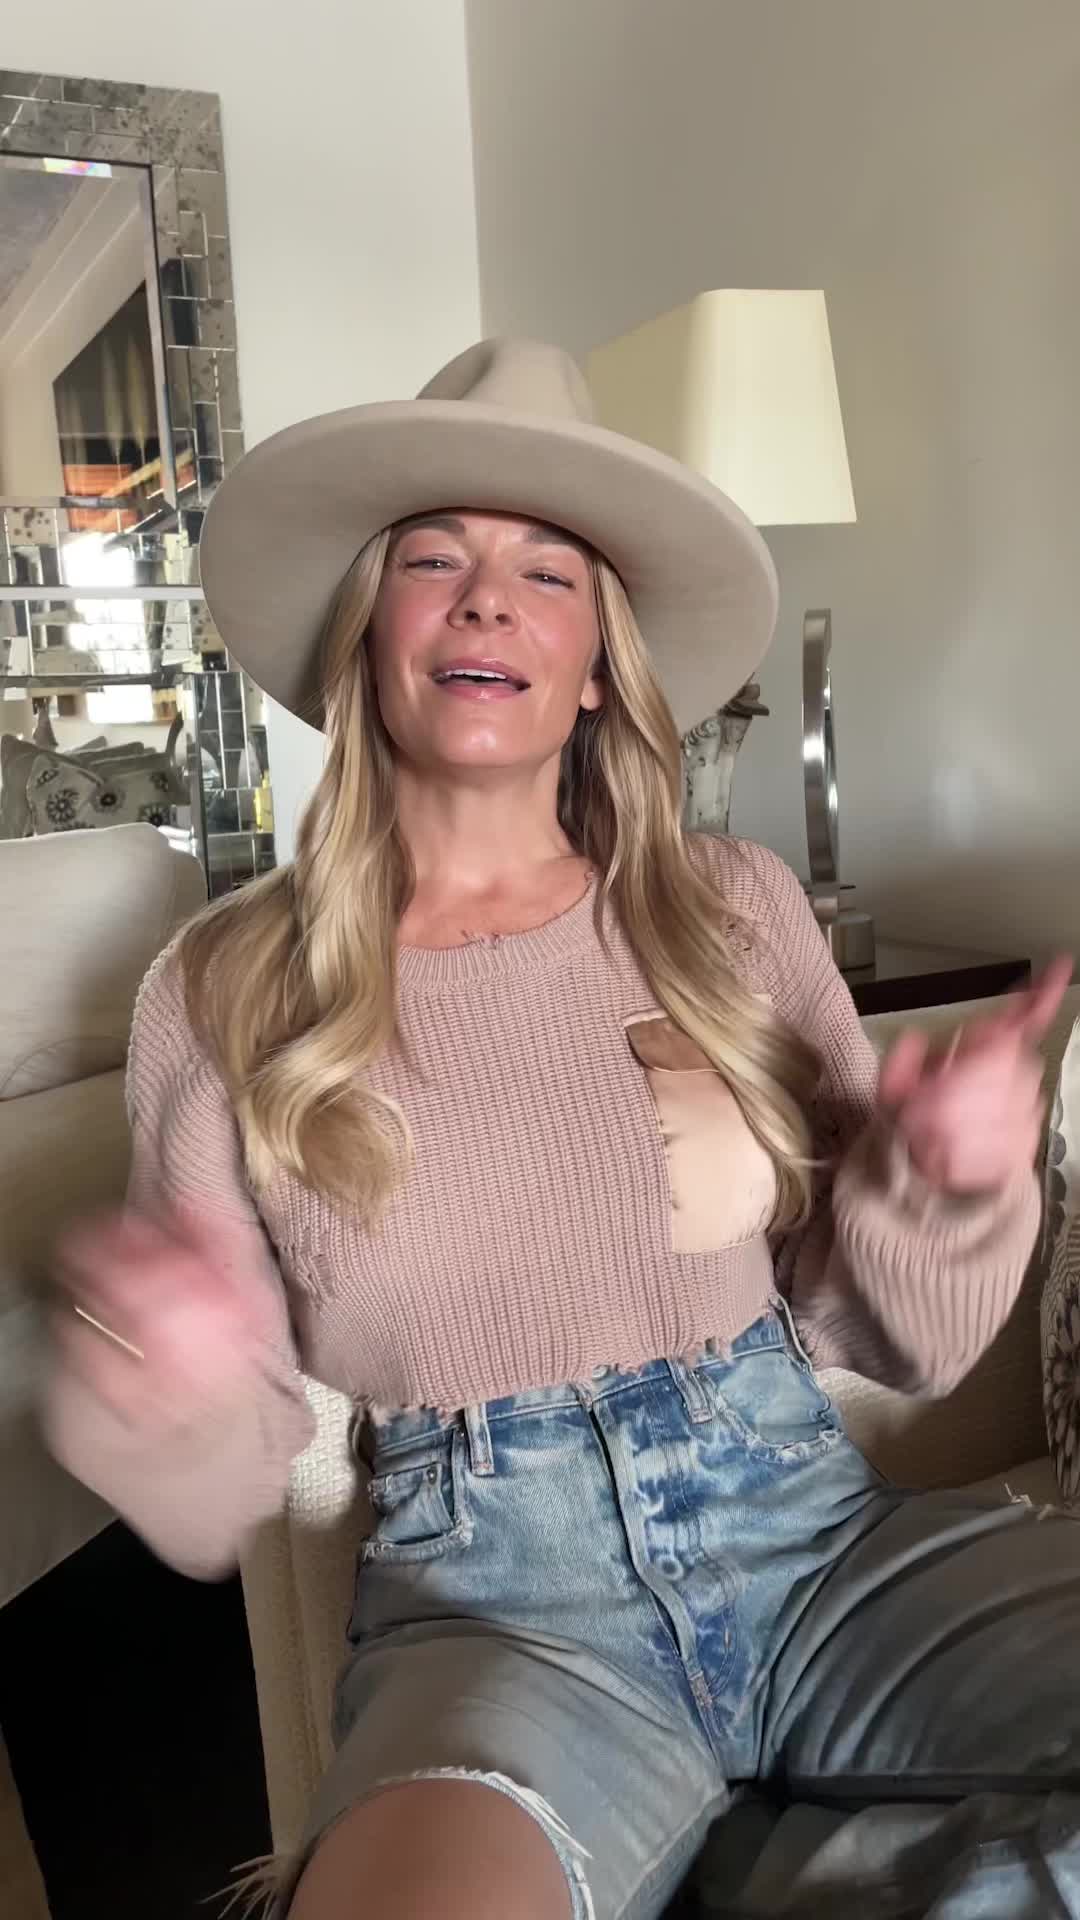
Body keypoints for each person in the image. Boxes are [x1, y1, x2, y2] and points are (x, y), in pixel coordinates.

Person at [43, 341, 1078, 1920]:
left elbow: (901, 1341)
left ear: (598, 664)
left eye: (547, 572)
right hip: (490, 1619)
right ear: (368, 635)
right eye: (433, 563)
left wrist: (947, 1187)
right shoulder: (222, 985)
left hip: (820, 1548)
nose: (485, 602)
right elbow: (222, 1466)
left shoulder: (734, 910)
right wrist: (148, 1374)